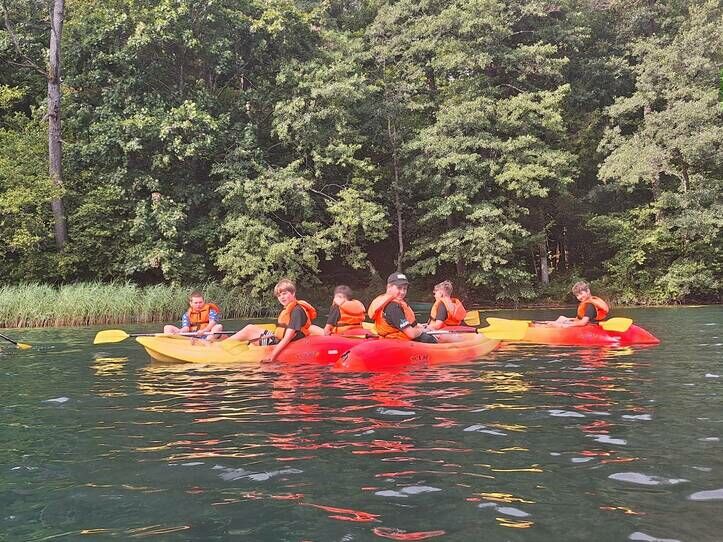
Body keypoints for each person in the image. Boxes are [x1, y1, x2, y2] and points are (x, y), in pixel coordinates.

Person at [226, 279, 323, 361]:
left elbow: (288, 337)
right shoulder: (295, 308)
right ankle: (227, 342)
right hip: (277, 339)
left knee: (249, 330)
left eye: (284, 294)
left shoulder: (296, 311)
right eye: (279, 296)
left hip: (276, 343)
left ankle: (222, 346)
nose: (282, 297)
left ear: (293, 293)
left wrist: (272, 356)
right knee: (251, 329)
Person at [368, 272, 438, 343]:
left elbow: (405, 324)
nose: (402, 292)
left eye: (405, 289)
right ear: (389, 287)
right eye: (399, 288)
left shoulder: (391, 303)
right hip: (398, 340)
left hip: (393, 336)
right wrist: (422, 330)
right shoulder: (393, 307)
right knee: (431, 339)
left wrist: (420, 326)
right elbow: (412, 334)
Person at [542, 281, 609, 328]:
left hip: (591, 327)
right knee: (562, 318)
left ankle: (552, 327)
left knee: (561, 322)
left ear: (588, 291)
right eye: (577, 295)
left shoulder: (590, 306)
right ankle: (551, 324)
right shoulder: (589, 303)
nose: (579, 297)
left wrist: (562, 325)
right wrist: (566, 320)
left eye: (581, 293)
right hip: (589, 323)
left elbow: (583, 323)